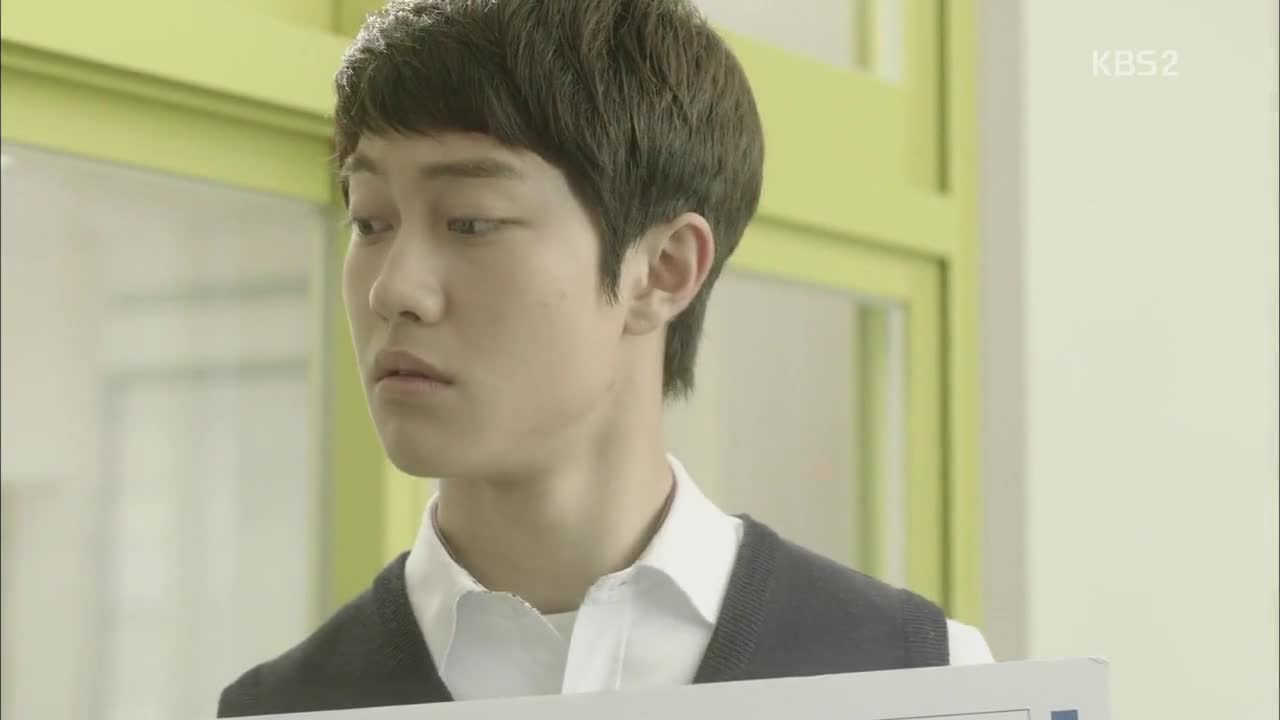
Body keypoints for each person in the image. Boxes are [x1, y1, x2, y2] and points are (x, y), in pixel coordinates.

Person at [218, 0, 992, 715]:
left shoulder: (927, 680)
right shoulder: (280, 709)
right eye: (370, 221)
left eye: (470, 223)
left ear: (663, 269)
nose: (393, 289)